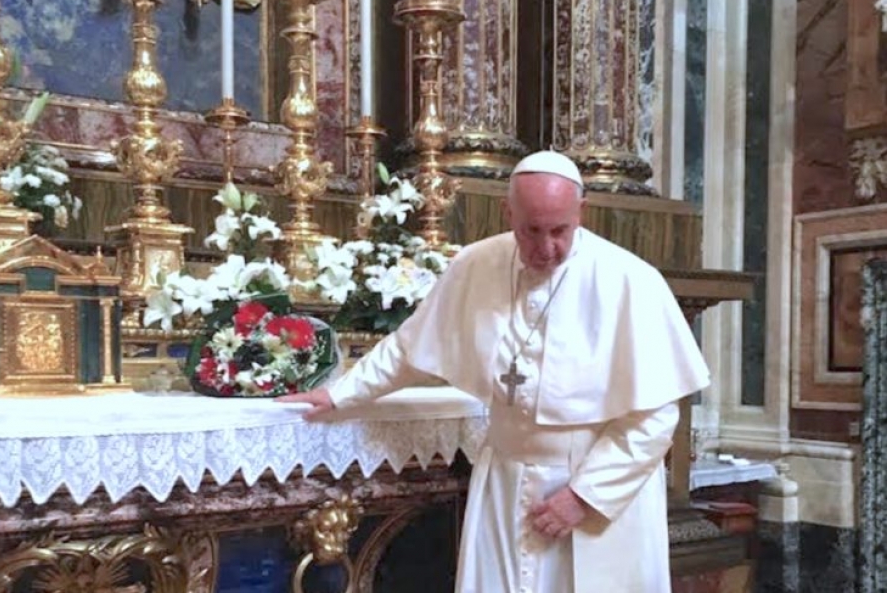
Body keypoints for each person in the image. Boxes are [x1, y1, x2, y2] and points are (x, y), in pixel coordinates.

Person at [277, 150, 710, 593]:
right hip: (506, 479)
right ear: (508, 214)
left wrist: (584, 496)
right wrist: (340, 394)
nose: (546, 249)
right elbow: (412, 346)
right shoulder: (475, 264)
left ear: (582, 211)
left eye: (559, 231)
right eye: (531, 231)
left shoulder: (629, 280)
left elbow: (654, 419)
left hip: (598, 492)